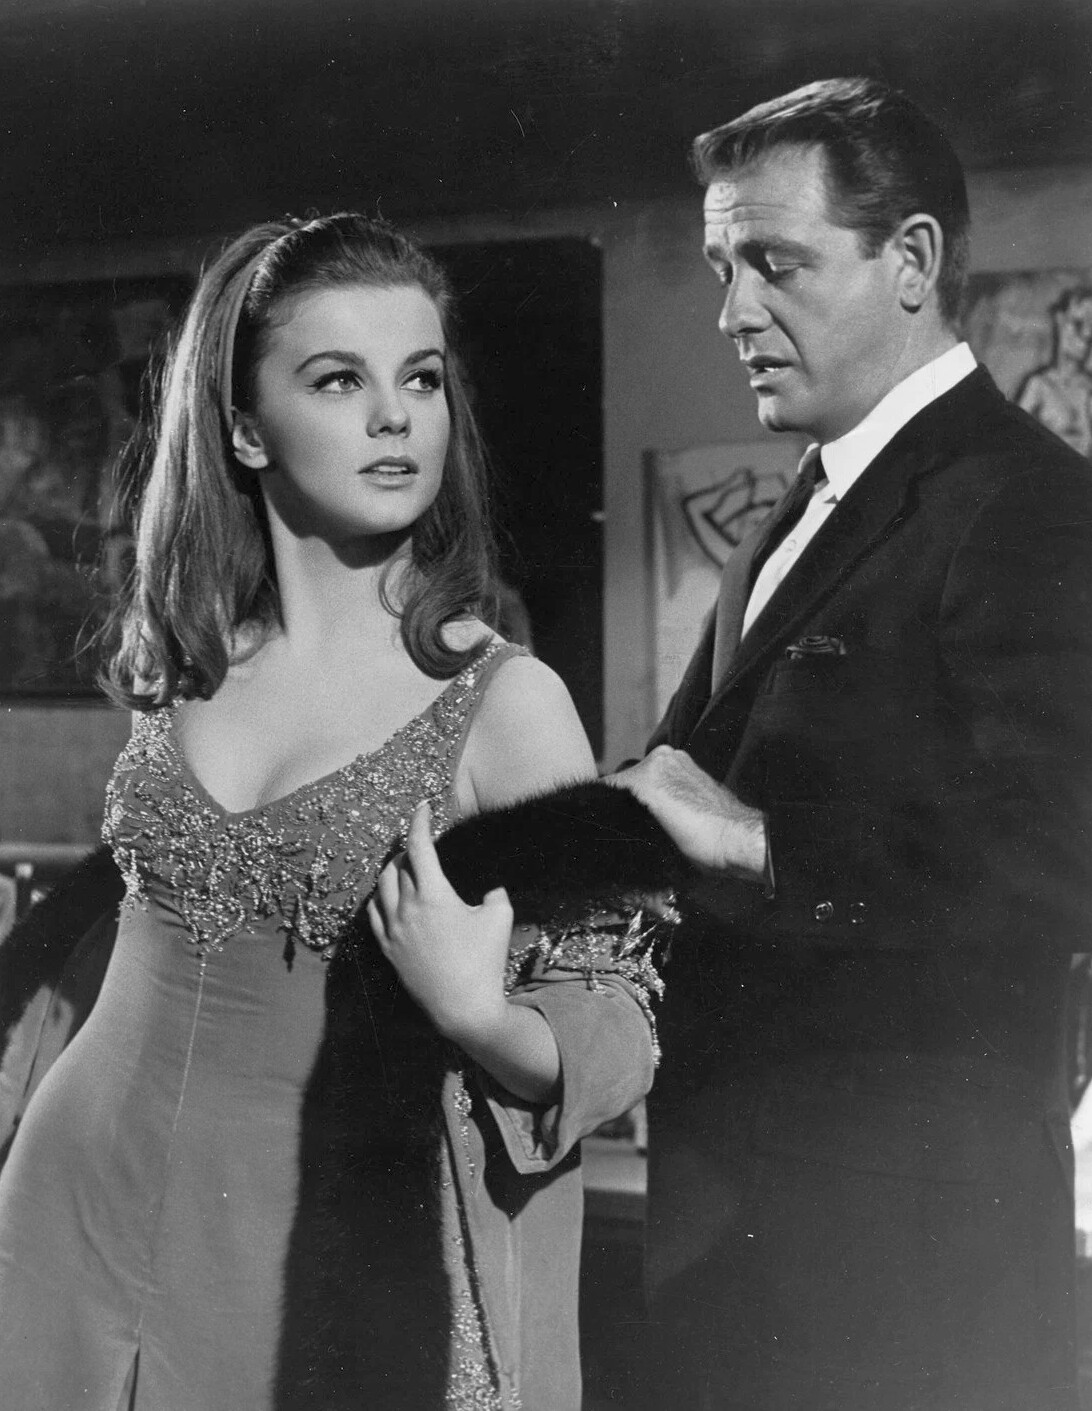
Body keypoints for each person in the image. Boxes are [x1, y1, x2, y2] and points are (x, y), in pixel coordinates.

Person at [0, 213, 660, 1411]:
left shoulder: (502, 702)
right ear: (246, 428)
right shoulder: (189, 660)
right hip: (68, 1202)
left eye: (422, 378)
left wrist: (479, 1012)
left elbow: (618, 1017)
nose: (395, 416)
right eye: (339, 379)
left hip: (311, 1260)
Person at [609, 78, 1092, 1410]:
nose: (732, 313)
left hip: (910, 1274)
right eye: (722, 269)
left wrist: (760, 841)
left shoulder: (1031, 505)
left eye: (775, 263)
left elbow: (1065, 859)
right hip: (741, 1235)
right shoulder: (807, 508)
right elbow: (675, 793)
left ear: (913, 260)